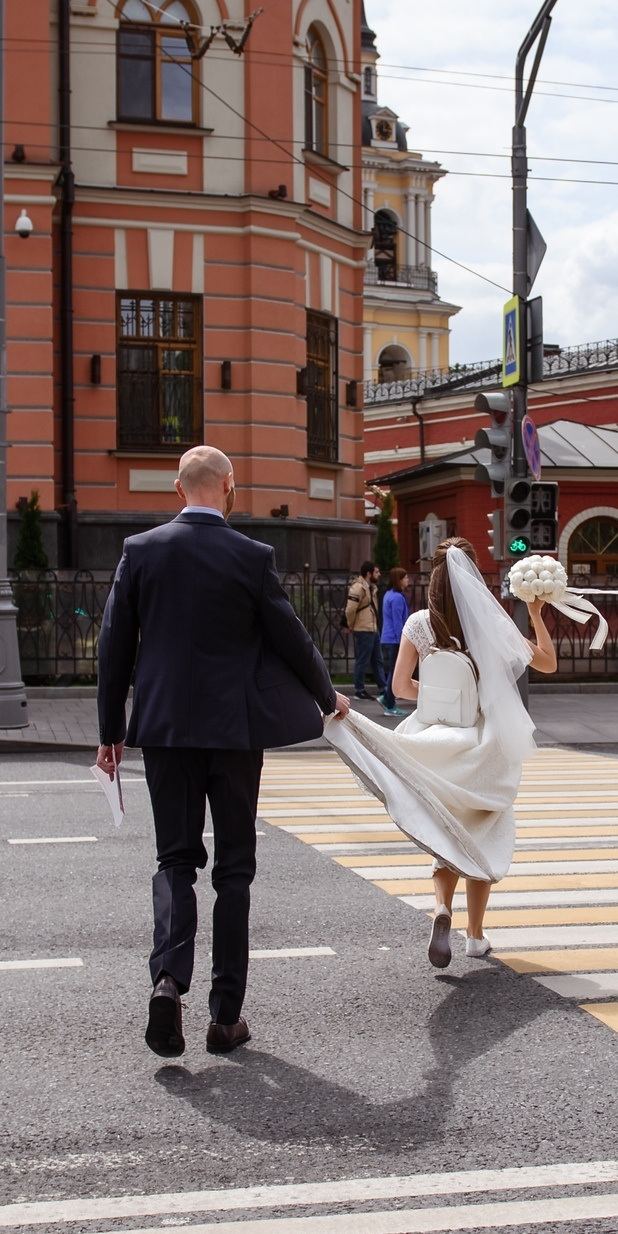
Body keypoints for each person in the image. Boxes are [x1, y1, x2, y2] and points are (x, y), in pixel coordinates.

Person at [96, 445, 346, 1060]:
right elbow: (292, 636)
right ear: (229, 487)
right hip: (235, 734)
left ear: (177, 490)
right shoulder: (250, 556)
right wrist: (327, 696)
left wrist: (111, 731)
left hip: (163, 733)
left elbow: (113, 648)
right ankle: (224, 1016)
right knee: (234, 872)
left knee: (174, 859)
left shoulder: (141, 551)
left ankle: (167, 980)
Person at [324, 536, 560, 966]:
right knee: (481, 835)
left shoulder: (418, 624)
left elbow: (398, 689)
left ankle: (441, 909)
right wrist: (536, 614)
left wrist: (440, 699)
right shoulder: (491, 625)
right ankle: (475, 935)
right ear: (472, 577)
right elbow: (547, 662)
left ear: (432, 576)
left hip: (436, 740)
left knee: (446, 833)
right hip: (484, 744)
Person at [345, 560, 384, 701]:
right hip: (363, 629)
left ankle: (383, 689)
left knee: (377, 660)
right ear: (369, 574)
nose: (379, 575)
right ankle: (359, 689)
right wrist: (350, 625)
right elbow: (350, 610)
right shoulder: (358, 588)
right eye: (376, 572)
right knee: (363, 660)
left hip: (372, 628)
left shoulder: (371, 588)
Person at [377, 566, 411, 714]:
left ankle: (386, 697)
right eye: (405, 577)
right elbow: (398, 622)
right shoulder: (397, 598)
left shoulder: (388, 595)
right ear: (399, 580)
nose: (407, 579)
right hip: (395, 639)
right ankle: (389, 704)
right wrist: (403, 640)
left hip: (387, 637)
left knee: (393, 670)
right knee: (395, 671)